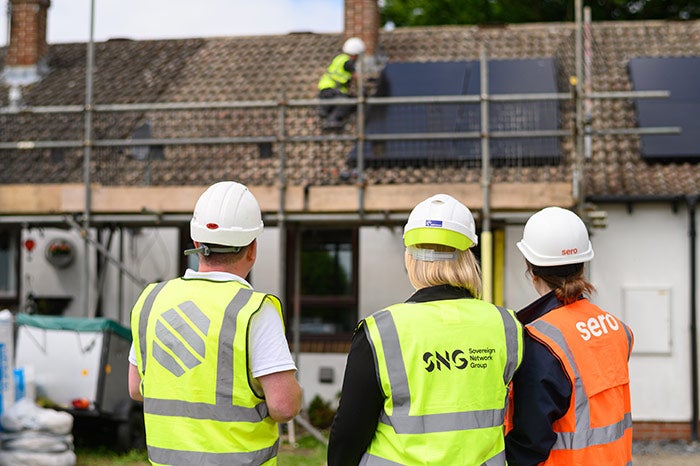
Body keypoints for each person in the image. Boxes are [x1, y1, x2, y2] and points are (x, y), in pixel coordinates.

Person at [327, 194, 523, 465]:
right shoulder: (506, 326)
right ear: (468, 257)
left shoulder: (381, 331)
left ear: (410, 257)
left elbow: (349, 431)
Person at [127, 181, 302, 466]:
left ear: (196, 244)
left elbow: (136, 389)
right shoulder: (254, 310)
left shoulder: (152, 300)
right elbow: (283, 406)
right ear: (252, 248)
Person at [505, 206, 634, 465]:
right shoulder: (616, 328)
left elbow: (530, 443)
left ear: (531, 269)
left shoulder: (539, 342)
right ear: (583, 264)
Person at [317, 36, 366, 129]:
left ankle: (325, 110)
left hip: (325, 90)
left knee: (345, 99)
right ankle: (332, 121)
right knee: (347, 101)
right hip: (332, 90)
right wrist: (361, 90)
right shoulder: (348, 62)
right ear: (356, 54)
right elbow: (356, 77)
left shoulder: (339, 58)